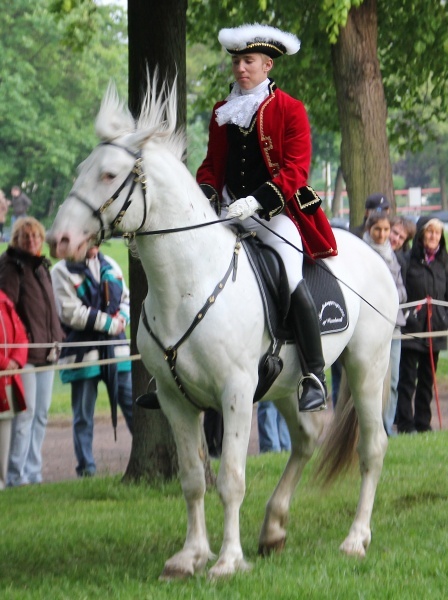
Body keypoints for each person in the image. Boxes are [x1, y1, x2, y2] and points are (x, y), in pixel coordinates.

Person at [195, 23, 338, 412]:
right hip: (227, 212)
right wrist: (208, 194)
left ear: (267, 65)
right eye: (237, 61)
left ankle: (313, 375)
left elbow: (295, 170)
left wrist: (257, 202)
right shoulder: (222, 111)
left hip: (275, 214)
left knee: (291, 278)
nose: (241, 68)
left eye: (249, 61)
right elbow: (211, 165)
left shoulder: (290, 109)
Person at [51, 245, 133, 477]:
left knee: (134, 409)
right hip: (83, 355)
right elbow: (71, 313)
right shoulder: (61, 271)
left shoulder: (111, 266)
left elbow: (125, 298)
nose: (92, 243)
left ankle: (149, 456)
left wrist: (122, 319)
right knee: (83, 417)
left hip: (116, 352)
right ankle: (86, 469)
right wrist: (110, 324)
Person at [0, 217, 64, 486]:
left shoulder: (41, 267)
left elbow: (49, 308)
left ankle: (33, 471)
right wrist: (18, 346)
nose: (31, 241)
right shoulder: (11, 267)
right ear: (16, 240)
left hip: (47, 352)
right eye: (25, 237)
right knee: (24, 415)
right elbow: (6, 310)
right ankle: (16, 475)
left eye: (35, 236)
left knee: (41, 415)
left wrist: (57, 338)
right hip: (23, 356)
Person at [396, 216, 448, 434]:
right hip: (412, 329)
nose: (433, 237)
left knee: (428, 379)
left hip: (435, 330)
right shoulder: (408, 260)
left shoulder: (443, 263)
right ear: (421, 235)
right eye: (429, 232)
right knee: (408, 379)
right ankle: (405, 424)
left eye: (437, 233)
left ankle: (423, 423)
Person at [362, 212, 407, 436]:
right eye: (377, 229)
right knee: (369, 381)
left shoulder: (392, 255)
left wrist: (389, 294)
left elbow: (402, 291)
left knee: (393, 381)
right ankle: (370, 427)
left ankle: (387, 427)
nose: (382, 234)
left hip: (394, 325)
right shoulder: (361, 252)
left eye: (386, 230)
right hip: (369, 327)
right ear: (369, 229)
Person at [0, 290, 28, 490]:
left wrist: (15, 361)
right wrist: (3, 362)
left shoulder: (3, 299)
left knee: (4, 430)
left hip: (6, 379)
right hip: (4, 370)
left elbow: (20, 334)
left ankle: (1, 481)